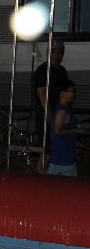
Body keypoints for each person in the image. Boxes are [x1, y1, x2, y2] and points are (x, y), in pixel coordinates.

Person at [33, 39, 70, 170]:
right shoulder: (43, 70)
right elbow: (41, 94)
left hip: (59, 117)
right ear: (48, 53)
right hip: (46, 118)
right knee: (47, 151)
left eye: (60, 52)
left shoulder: (62, 71)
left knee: (54, 150)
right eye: (53, 52)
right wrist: (50, 117)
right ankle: (38, 180)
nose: (57, 55)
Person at [46, 80, 89, 177]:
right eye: (71, 91)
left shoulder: (65, 109)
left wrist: (75, 144)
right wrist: (76, 130)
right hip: (63, 159)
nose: (74, 94)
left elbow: (62, 134)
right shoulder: (62, 111)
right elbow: (57, 132)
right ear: (62, 93)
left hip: (63, 157)